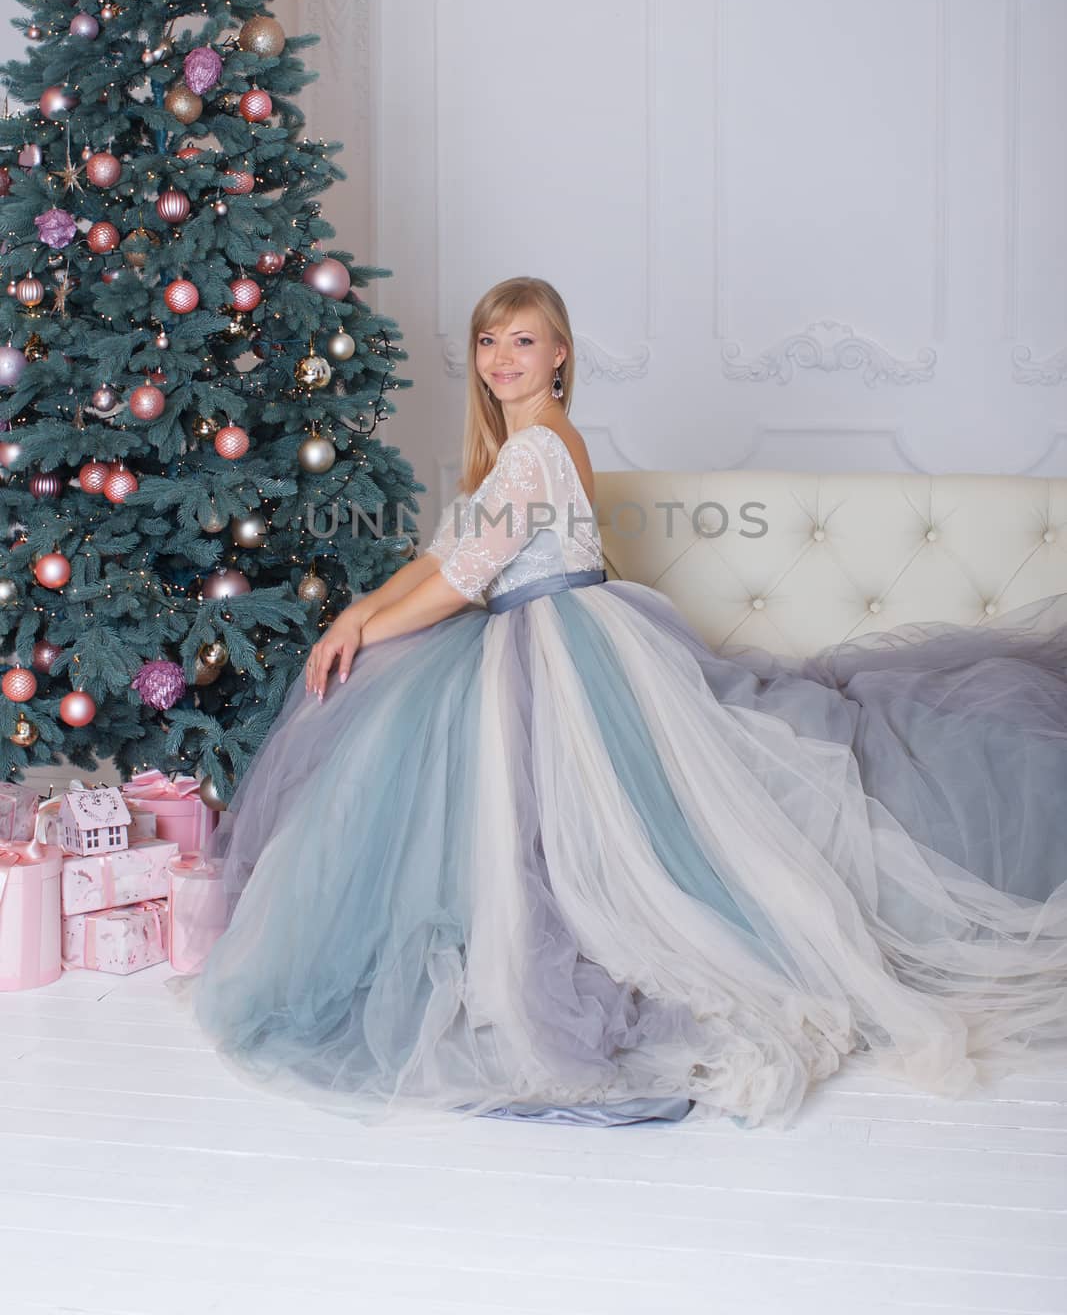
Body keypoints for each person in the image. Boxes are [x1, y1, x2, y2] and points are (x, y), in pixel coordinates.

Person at [167, 276, 1067, 1133]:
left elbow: (465, 584)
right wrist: (358, 613)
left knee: (578, 817)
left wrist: (360, 637)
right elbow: (445, 553)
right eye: (488, 340)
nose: (502, 356)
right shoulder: (513, 450)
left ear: (560, 354)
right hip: (539, 624)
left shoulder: (539, 445)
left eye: (523, 340)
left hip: (557, 636)